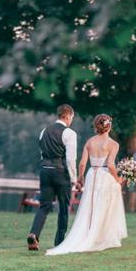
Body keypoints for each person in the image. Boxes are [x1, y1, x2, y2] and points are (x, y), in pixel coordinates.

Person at [46, 114, 127, 256]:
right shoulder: (113, 144)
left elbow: (82, 162)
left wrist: (81, 177)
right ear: (109, 126)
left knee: (89, 205)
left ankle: (89, 233)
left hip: (91, 174)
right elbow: (110, 164)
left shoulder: (90, 142)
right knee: (104, 206)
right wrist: (118, 179)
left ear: (96, 126)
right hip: (104, 175)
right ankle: (99, 237)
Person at [27, 104, 77, 251]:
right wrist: (74, 178)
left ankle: (34, 234)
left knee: (44, 206)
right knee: (64, 206)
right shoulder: (69, 133)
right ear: (67, 116)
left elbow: (42, 153)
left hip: (44, 170)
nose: (71, 121)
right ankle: (59, 242)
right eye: (72, 118)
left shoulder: (44, 131)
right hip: (61, 172)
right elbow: (70, 159)